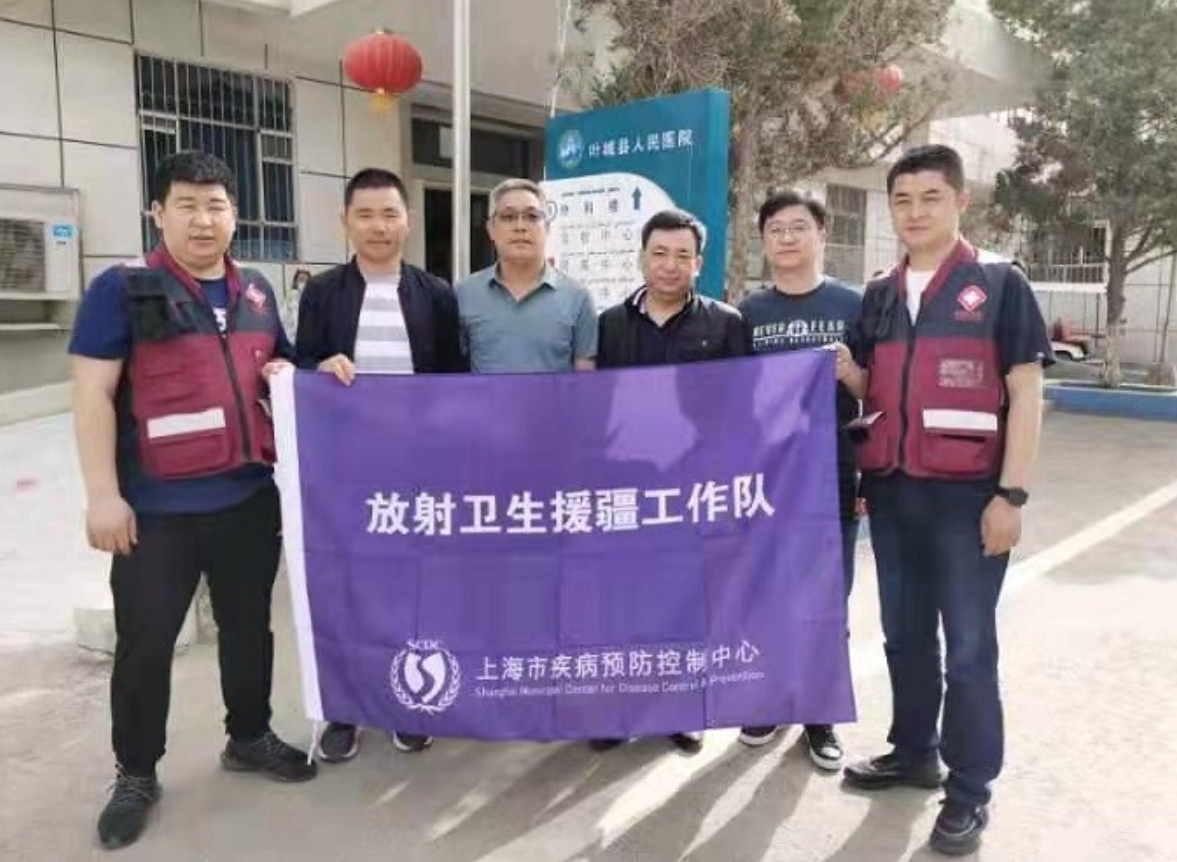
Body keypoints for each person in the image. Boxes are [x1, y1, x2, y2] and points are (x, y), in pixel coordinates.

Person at [68, 151, 317, 852]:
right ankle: (136, 773)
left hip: (246, 500)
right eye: (186, 205)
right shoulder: (122, 289)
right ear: (158, 213)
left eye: (216, 206)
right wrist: (103, 496)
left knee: (249, 629)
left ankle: (249, 736)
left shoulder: (257, 291)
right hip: (156, 511)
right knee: (146, 646)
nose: (202, 220)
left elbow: (279, 366)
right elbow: (91, 393)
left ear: (235, 215)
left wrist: (294, 368)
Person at [837, 145, 1053, 856]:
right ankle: (913, 753)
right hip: (894, 494)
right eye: (901, 199)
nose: (914, 212)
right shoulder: (878, 292)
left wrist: (1010, 495)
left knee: (967, 651)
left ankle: (968, 792)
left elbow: (1026, 393)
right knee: (903, 636)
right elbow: (873, 387)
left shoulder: (998, 283)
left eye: (930, 197)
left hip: (968, 500)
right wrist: (843, 373)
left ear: (960, 201)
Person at [294, 167, 467, 762]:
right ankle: (346, 708)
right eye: (365, 215)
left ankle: (408, 699)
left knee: (414, 587)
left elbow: (454, 381)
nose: (378, 227)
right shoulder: (322, 293)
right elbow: (299, 365)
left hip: (418, 471)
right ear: (345, 221)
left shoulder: (435, 294)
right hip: (346, 471)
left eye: (390, 214)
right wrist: (318, 369)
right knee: (348, 587)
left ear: (408, 222)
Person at [592, 208, 752, 755]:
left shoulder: (726, 324)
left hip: (694, 489)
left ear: (698, 263)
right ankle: (619, 709)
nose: (669, 264)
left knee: (686, 603)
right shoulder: (611, 324)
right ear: (642, 258)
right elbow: (595, 405)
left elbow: (739, 410)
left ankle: (682, 711)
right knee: (622, 602)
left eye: (682, 255)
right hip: (625, 489)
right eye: (659, 253)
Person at [735, 190, 863, 770]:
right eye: (776, 229)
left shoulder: (852, 305)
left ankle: (819, 713)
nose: (787, 238)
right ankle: (769, 698)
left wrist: (852, 373)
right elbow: (733, 398)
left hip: (833, 472)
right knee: (768, 595)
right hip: (768, 479)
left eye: (798, 227)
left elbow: (879, 392)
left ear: (821, 234)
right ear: (764, 240)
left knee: (826, 600)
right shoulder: (750, 312)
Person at [455, 178, 597, 373]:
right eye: (508, 217)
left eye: (532, 216)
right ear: (491, 230)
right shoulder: (464, 294)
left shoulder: (577, 297)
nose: (520, 226)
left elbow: (586, 378)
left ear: (547, 228)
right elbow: (453, 372)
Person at [283, 267, 312, 335]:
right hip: (291, 336)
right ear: (295, 282)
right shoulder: (289, 299)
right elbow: (283, 319)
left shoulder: (313, 300)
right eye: (301, 280)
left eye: (307, 281)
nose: (304, 283)